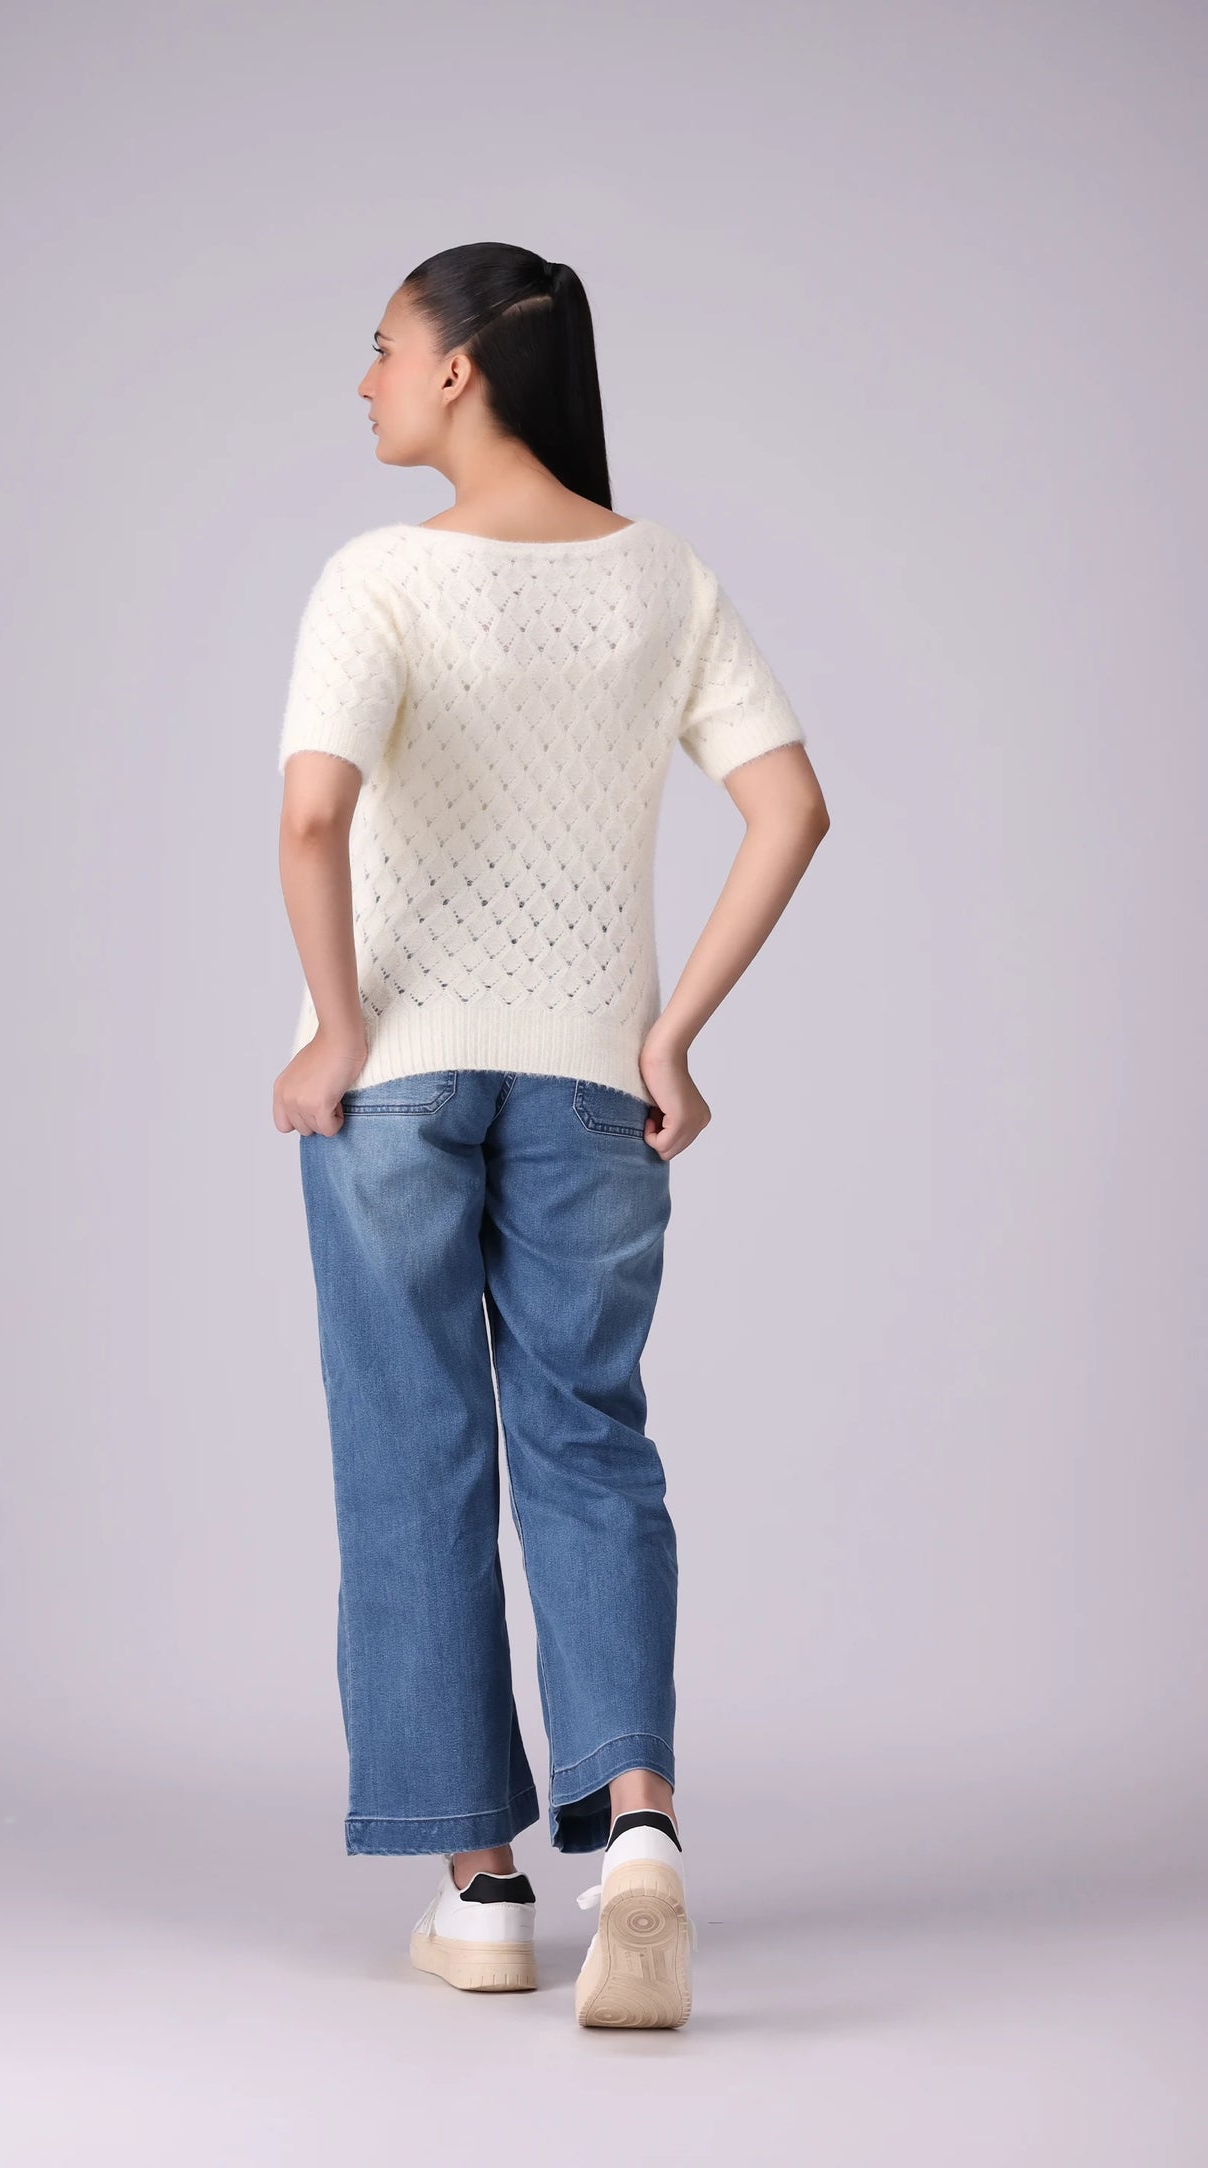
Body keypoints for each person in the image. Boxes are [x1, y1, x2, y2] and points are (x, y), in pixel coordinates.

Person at [272, 242, 830, 2030]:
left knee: (412, 1458)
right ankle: (640, 1836)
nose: (364, 379)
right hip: (594, 1080)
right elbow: (790, 808)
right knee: (589, 1444)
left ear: (457, 371)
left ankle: (486, 1894)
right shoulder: (663, 577)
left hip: (397, 1080)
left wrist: (336, 1029)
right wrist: (671, 1034)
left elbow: (310, 820)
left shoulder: (378, 577)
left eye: (381, 348)